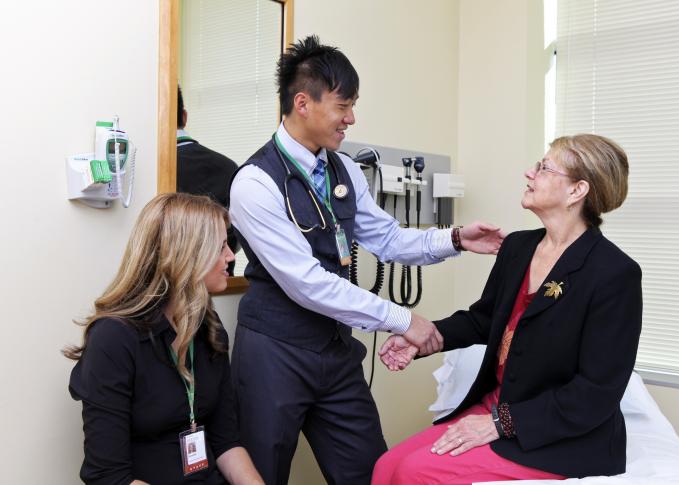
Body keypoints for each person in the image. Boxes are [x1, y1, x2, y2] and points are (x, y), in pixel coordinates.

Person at [227, 35, 506, 485]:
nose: (351, 119)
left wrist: (455, 238)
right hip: (274, 354)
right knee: (261, 474)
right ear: (303, 103)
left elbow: (388, 238)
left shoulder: (345, 169)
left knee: (370, 471)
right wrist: (402, 320)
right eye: (343, 106)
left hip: (334, 352)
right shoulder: (254, 183)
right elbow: (307, 282)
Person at [375, 134, 642, 483]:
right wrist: (425, 337)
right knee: (386, 465)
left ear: (577, 191)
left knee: (415, 472)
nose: (529, 173)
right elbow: (484, 319)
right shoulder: (518, 247)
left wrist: (500, 424)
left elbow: (595, 393)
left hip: (555, 435)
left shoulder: (613, 273)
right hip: (497, 405)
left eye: (544, 168)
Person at [65, 193, 263, 485]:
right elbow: (108, 476)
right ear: (187, 255)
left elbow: (227, 442)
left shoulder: (207, 326)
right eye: (221, 247)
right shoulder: (113, 339)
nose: (230, 257)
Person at [177, 86, 240, 274]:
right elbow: (237, 237)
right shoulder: (229, 167)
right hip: (223, 279)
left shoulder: (154, 168)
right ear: (185, 117)